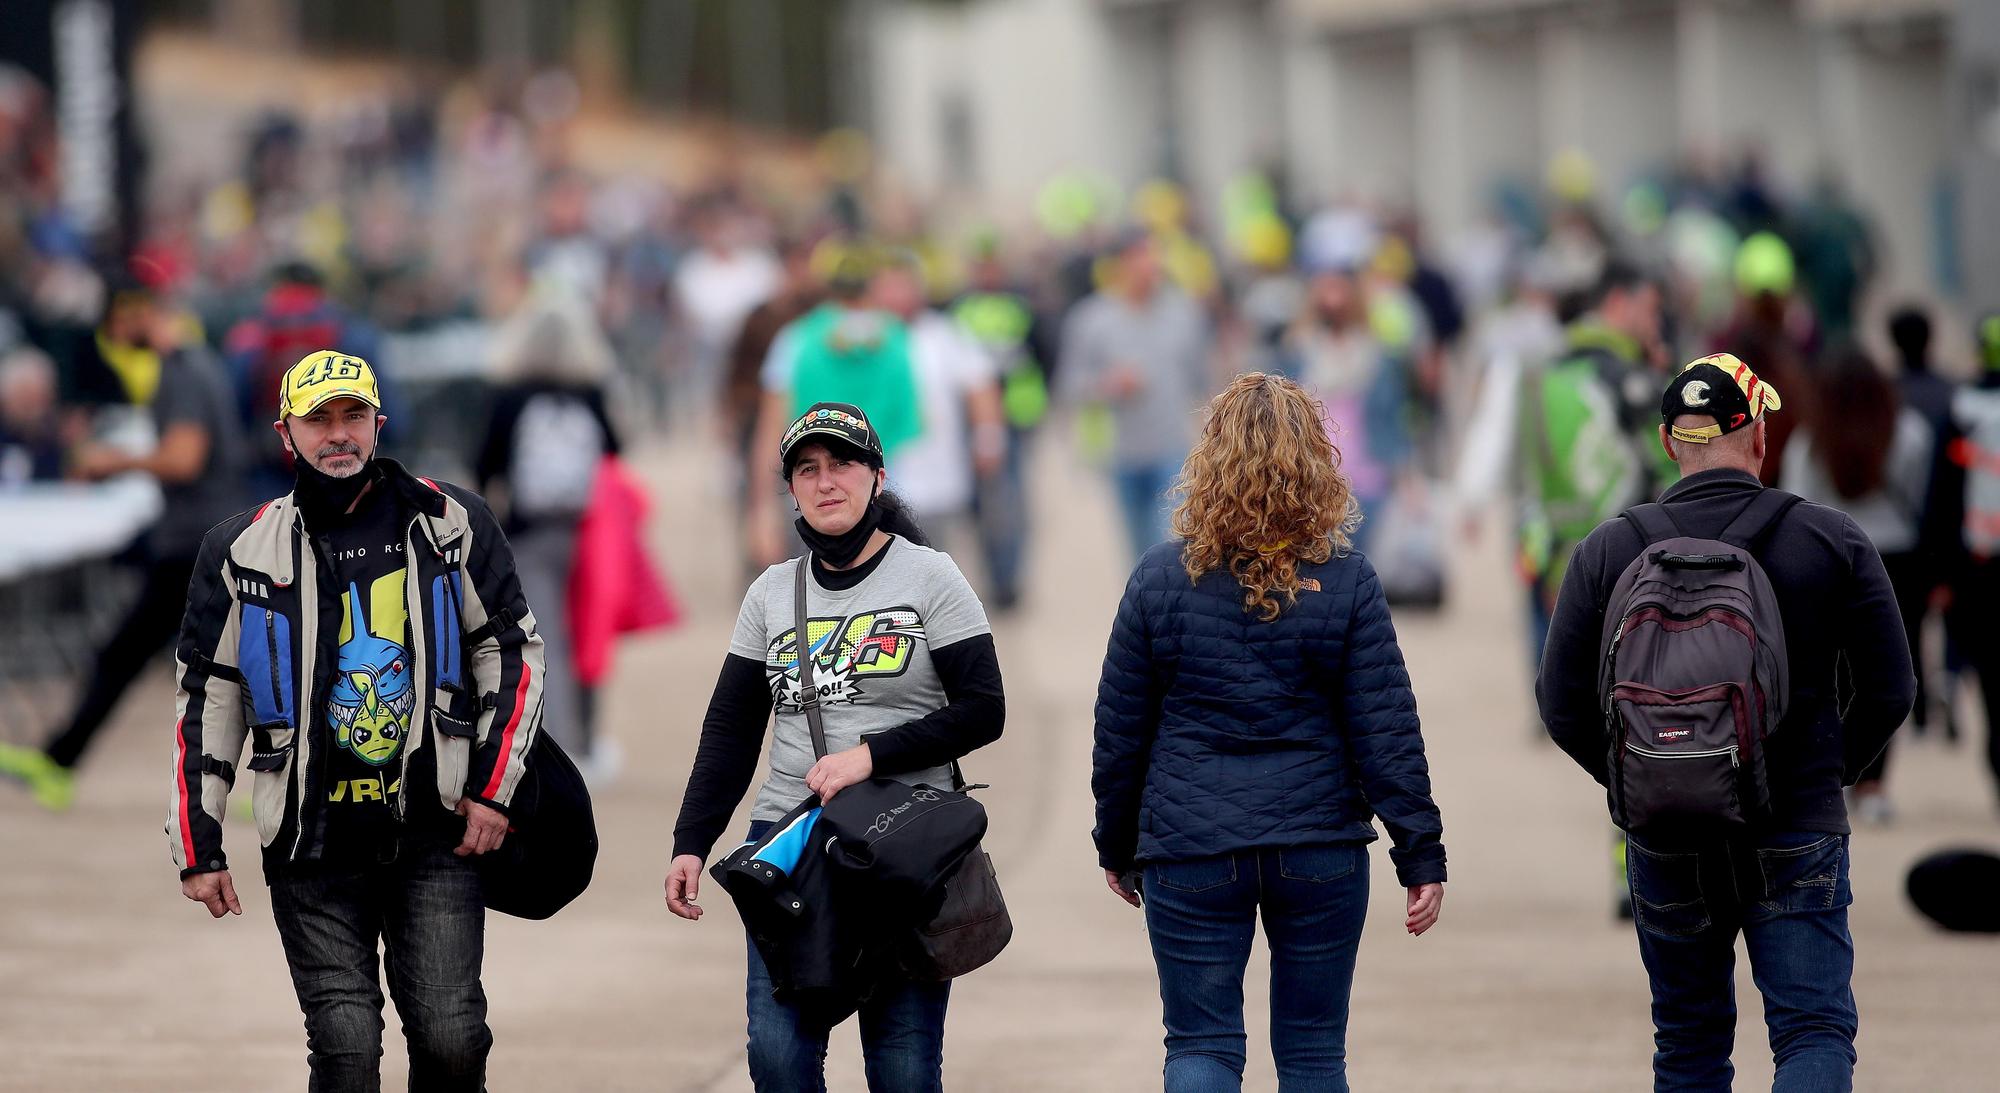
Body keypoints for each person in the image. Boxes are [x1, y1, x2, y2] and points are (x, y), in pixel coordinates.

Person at [162, 350, 547, 1091]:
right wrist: (199, 841)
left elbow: (513, 651)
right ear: (286, 433)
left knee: (452, 1036)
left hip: (436, 828)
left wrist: (494, 788)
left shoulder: (451, 522)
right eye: (318, 420)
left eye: (352, 416)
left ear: (379, 422)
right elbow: (206, 697)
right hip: (309, 841)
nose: (337, 435)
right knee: (345, 1049)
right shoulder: (237, 549)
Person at [1538, 353, 1914, 1092]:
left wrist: (1639, 778)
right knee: (1812, 1032)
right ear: (1760, 434)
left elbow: (1559, 701)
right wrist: (1831, 771)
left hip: (1666, 829)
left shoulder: (1611, 548)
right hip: (1796, 821)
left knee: (1688, 1044)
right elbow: (1892, 687)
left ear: (1669, 442)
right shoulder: (1829, 540)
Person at [1091, 373, 1447, 1092]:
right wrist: (1421, 850)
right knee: (1314, 1052)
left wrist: (1118, 842)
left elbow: (1121, 731)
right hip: (1318, 844)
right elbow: (1386, 728)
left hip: (1190, 845)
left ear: (1209, 462)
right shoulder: (1347, 581)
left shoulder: (1159, 579)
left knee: (1200, 1043)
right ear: (1317, 462)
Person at [666, 401, 1004, 1092]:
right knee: (778, 1058)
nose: (826, 482)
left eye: (843, 464)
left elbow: (984, 710)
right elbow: (730, 730)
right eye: (807, 469)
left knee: (903, 1067)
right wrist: (690, 841)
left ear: (877, 477)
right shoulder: (769, 594)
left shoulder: (931, 577)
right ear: (790, 488)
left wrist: (871, 755)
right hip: (790, 849)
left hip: (904, 848)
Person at [0, 279, 246, 811]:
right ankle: (60, 759)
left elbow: (185, 458)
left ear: (136, 313)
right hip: (201, 539)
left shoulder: (180, 370)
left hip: (194, 545)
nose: (113, 339)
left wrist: (111, 461)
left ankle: (60, 760)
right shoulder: (195, 364)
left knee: (145, 659)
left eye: (114, 326)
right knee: (150, 659)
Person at [1781, 347, 1933, 823]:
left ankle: (1837, 769)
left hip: (1832, 559)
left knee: (1834, 673)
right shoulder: (1910, 434)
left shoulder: (1811, 441)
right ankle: (1875, 783)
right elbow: (1922, 498)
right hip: (1898, 559)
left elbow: (1796, 504)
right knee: (1888, 671)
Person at [475, 288, 621, 772]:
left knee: (544, 637)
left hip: (530, 533)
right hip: (589, 532)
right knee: (589, 632)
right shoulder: (591, 392)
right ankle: (587, 740)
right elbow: (616, 453)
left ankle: (556, 747)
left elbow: (486, 464)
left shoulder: (508, 395)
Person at [1058, 230, 1215, 561]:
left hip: (1173, 450)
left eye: (1153, 256)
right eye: (1139, 258)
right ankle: (1146, 608)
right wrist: (1108, 385)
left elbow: (1204, 379)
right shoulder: (1091, 319)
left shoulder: (1183, 313)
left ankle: (1173, 610)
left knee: (1172, 545)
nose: (1149, 266)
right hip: (1121, 454)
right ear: (1118, 267)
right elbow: (1069, 385)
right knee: (1138, 553)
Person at [867, 250, 1005, 549]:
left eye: (905, 285)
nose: (897, 296)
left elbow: (980, 383)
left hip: (937, 483)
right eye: (889, 286)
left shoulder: (944, 334)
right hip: (873, 488)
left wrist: (988, 437)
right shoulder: (861, 336)